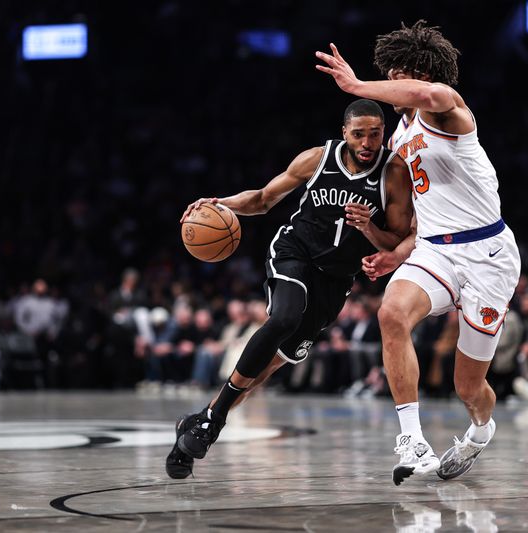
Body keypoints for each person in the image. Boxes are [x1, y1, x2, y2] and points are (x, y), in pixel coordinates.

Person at [316, 20, 521, 485]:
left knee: (468, 387)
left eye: (398, 74)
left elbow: (428, 97)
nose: (390, 80)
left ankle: (481, 431)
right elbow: (416, 217)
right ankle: (412, 438)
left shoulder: (449, 108)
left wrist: (354, 84)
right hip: (434, 249)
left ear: (422, 74)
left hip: (487, 253)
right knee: (391, 313)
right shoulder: (399, 138)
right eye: (388, 73)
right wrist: (395, 252)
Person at [165, 99, 413, 479]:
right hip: (294, 253)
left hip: (336, 278)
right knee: (284, 316)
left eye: (375, 134)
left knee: (273, 363)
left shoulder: (393, 172)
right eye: (359, 134)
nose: (367, 142)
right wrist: (221, 204)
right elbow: (264, 199)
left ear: (383, 133)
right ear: (344, 132)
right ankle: (213, 421)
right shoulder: (317, 158)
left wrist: (369, 229)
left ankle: (201, 419)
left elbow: (395, 239)